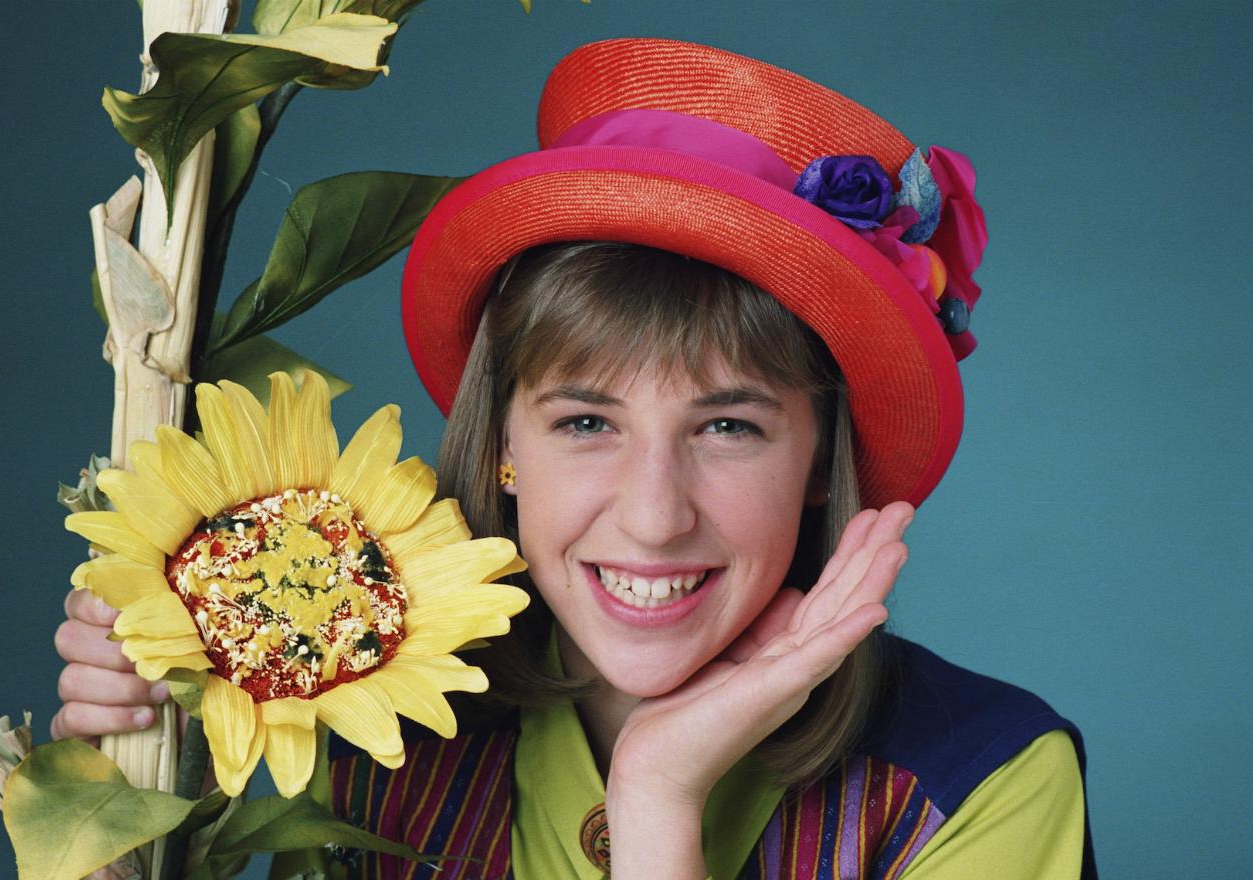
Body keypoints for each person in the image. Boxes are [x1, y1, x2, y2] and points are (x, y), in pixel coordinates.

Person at [53, 38, 1094, 879]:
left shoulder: (978, 779)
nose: (652, 515)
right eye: (587, 423)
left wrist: (657, 802)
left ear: (822, 459)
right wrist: (122, 806)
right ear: (503, 443)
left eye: (729, 427)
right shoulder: (369, 733)